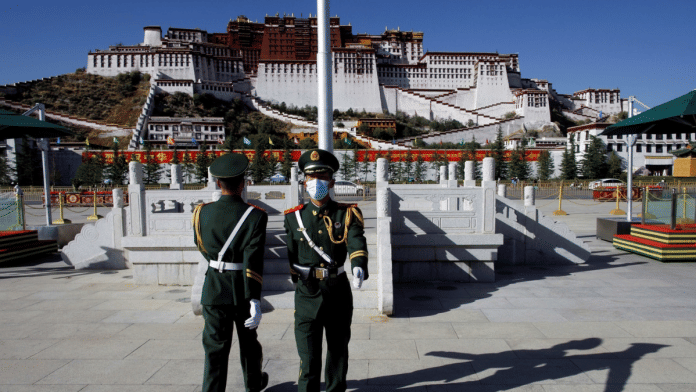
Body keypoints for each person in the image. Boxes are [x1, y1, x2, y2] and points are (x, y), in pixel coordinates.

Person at [284, 149, 369, 392]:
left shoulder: (347, 213)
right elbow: (291, 255)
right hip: (307, 294)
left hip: (337, 292)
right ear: (304, 182)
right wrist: (298, 280)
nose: (316, 183)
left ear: (331, 181)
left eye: (322, 177)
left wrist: (358, 266)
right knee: (308, 358)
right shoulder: (294, 218)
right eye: (311, 178)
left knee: (337, 354)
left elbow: (356, 241)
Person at [192, 153, 269, 392]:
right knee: (249, 345)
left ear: (217, 183)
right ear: (243, 182)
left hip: (214, 287)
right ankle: (253, 385)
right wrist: (255, 297)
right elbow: (253, 259)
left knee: (215, 349)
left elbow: (202, 248)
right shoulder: (255, 215)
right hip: (242, 290)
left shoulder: (201, 212)